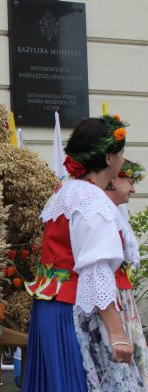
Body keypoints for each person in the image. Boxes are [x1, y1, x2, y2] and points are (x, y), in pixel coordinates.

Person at [24, 116, 142, 391]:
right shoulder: (91, 201)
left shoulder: (68, 190)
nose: (123, 160)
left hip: (55, 308)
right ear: (110, 158)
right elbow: (97, 268)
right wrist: (117, 333)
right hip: (78, 313)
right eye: (122, 154)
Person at [103, 159, 148, 386]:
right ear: (114, 179)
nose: (133, 189)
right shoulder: (102, 212)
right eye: (129, 182)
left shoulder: (116, 213)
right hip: (110, 296)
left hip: (122, 294)